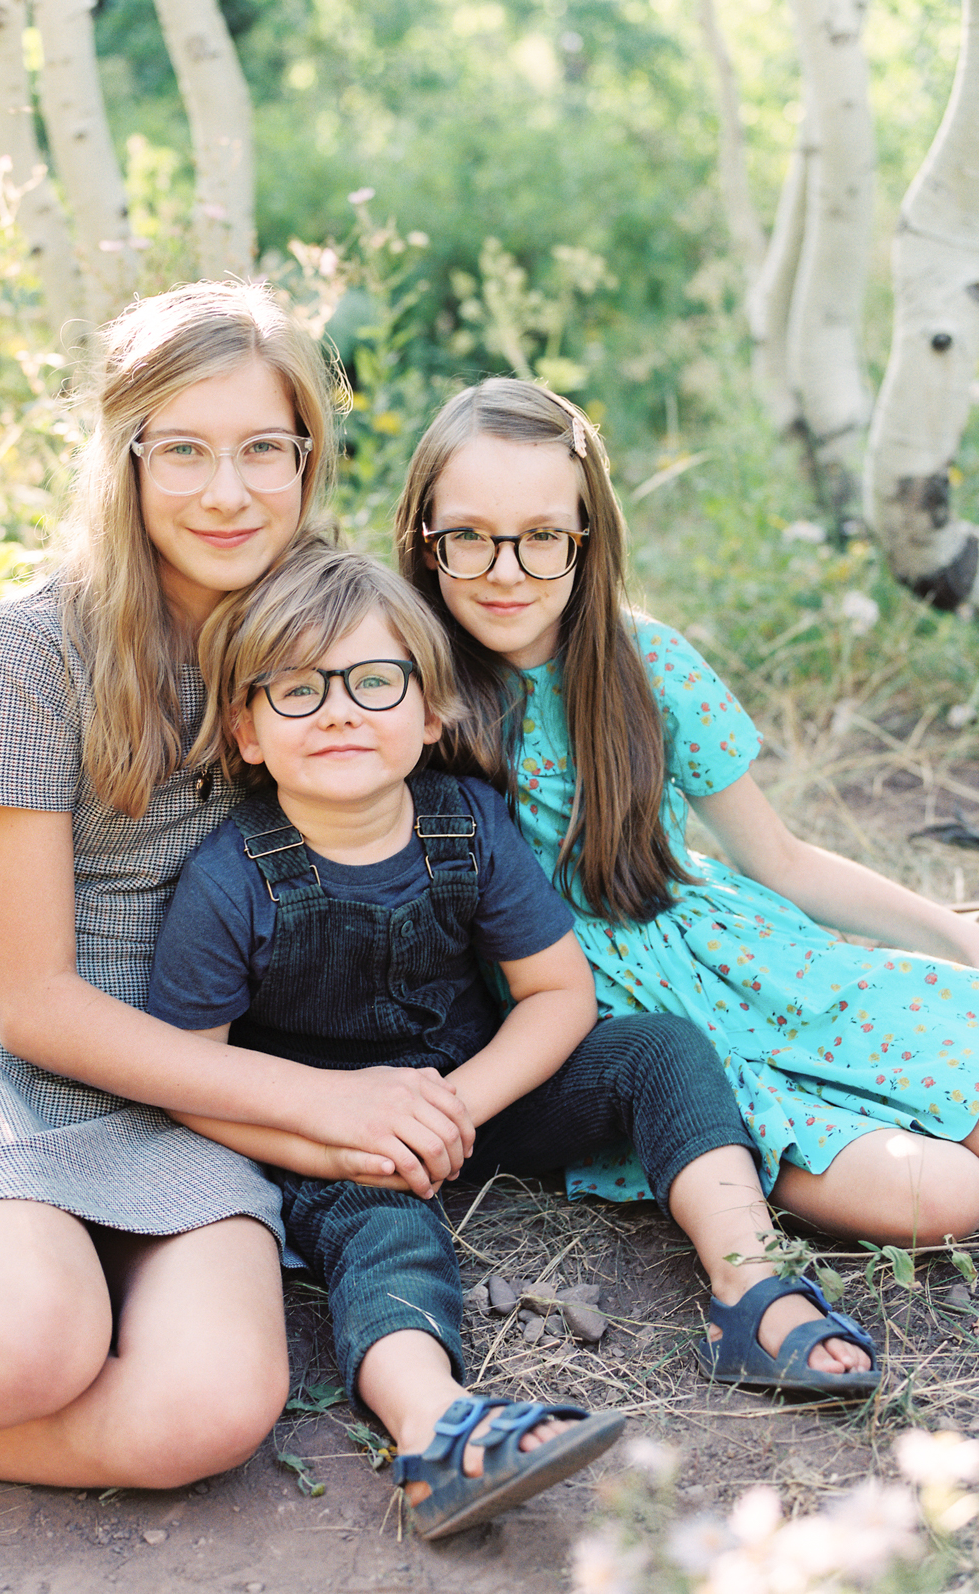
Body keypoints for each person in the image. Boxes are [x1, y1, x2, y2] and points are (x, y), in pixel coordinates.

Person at [0, 281, 476, 1488]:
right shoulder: (39, 645)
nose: (227, 491)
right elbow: (33, 1003)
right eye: (185, 451)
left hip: (184, 1081)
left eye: (266, 449)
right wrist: (327, 1103)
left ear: (309, 458)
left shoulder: (323, 630)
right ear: (128, 459)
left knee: (205, 1413)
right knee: (18, 1347)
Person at [148, 547, 876, 1541]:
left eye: (373, 681)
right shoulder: (231, 878)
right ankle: (436, 1427)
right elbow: (192, 1071)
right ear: (245, 728)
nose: (338, 711)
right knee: (384, 1229)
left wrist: (459, 1106)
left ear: (432, 710)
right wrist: (337, 1144)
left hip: (474, 1088)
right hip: (324, 1133)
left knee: (659, 1048)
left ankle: (749, 1285)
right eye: (295, 689)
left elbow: (556, 993)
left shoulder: (467, 824)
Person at [395, 376, 979, 1359]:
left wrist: (954, 930)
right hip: (633, 1035)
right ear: (422, 538)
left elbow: (783, 858)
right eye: (471, 536)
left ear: (588, 537)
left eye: (544, 536)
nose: (508, 569)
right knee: (948, 1197)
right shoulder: (399, 692)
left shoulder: (642, 662)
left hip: (756, 965)